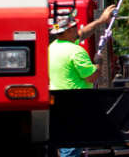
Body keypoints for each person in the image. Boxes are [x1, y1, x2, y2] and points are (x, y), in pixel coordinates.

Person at [48, 14, 104, 157]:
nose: (76, 29)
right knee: (72, 147)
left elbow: (83, 33)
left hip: (56, 103)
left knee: (64, 143)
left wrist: (101, 20)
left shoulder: (51, 48)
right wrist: (98, 64)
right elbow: (91, 77)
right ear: (67, 31)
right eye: (73, 27)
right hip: (75, 104)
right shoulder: (76, 51)